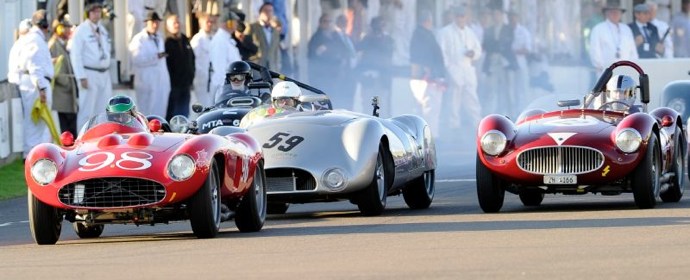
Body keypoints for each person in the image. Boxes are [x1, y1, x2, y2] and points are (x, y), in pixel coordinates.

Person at [16, 10, 55, 158]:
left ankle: (33, 156)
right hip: (36, 85)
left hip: (35, 82)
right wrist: (42, 88)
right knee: (35, 123)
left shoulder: (34, 38)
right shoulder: (35, 39)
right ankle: (31, 157)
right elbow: (34, 65)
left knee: (37, 123)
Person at [437, 6, 482, 131]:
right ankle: (453, 126)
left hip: (467, 68)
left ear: (466, 17)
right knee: (453, 99)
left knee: (472, 97)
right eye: (458, 16)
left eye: (463, 16)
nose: (460, 18)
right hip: (453, 68)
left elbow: (478, 50)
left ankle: (477, 123)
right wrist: (450, 70)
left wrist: (473, 54)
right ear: (454, 16)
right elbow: (442, 54)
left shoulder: (470, 32)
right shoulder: (445, 32)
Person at [70, 0, 113, 131]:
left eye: (99, 11)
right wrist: (81, 76)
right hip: (89, 73)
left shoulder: (103, 30)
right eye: (94, 11)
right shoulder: (81, 30)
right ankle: (82, 141)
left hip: (104, 73)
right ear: (88, 13)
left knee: (104, 110)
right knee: (87, 110)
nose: (97, 14)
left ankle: (101, 138)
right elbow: (75, 55)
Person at [409, 10, 445, 140]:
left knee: (420, 109)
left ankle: (420, 136)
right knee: (430, 108)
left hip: (420, 77)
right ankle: (430, 137)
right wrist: (432, 73)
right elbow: (426, 57)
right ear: (427, 21)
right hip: (426, 78)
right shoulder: (424, 35)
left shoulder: (418, 35)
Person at [129, 11, 170, 117]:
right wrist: (156, 57)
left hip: (160, 82)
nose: (155, 25)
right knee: (145, 112)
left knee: (160, 113)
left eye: (157, 22)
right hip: (145, 82)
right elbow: (136, 59)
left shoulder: (160, 38)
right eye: (153, 22)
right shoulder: (139, 39)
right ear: (147, 23)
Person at [357, 16, 395, 117]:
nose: (382, 28)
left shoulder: (388, 40)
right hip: (369, 79)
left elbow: (388, 55)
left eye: (383, 25)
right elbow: (359, 52)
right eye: (379, 25)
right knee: (370, 107)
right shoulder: (367, 39)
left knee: (382, 107)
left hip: (382, 79)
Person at [48, 16, 79, 136]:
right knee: (66, 131)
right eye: (65, 28)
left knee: (72, 128)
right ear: (59, 29)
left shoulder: (64, 44)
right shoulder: (53, 45)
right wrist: (67, 82)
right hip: (62, 94)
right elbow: (55, 69)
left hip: (68, 93)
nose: (68, 31)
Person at [589, 3, 638, 74]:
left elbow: (633, 51)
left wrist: (632, 67)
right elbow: (595, 51)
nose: (615, 14)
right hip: (605, 71)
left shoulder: (626, 29)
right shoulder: (598, 29)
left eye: (618, 12)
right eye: (612, 12)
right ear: (607, 14)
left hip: (626, 71)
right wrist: (603, 67)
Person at [164, 14, 195, 120]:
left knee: (184, 112)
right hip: (174, 85)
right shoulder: (167, 43)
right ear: (168, 27)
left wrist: (191, 76)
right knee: (173, 112)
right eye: (174, 23)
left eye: (178, 22)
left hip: (186, 83)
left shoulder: (185, 39)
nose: (177, 25)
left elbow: (192, 58)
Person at [209, 11, 242, 101]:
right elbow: (219, 68)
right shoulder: (220, 41)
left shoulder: (226, 39)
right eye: (234, 21)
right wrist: (225, 89)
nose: (236, 24)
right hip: (225, 88)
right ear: (228, 23)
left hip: (232, 86)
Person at [190, 12, 216, 108]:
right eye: (207, 22)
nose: (209, 24)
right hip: (201, 78)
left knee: (213, 102)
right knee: (202, 104)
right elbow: (193, 60)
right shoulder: (197, 39)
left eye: (211, 22)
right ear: (201, 23)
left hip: (213, 77)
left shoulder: (214, 38)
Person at [246, 3, 281, 71]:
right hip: (256, 67)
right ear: (260, 13)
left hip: (271, 68)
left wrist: (277, 67)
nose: (268, 13)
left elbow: (276, 51)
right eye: (266, 10)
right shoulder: (252, 27)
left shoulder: (275, 31)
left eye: (270, 11)